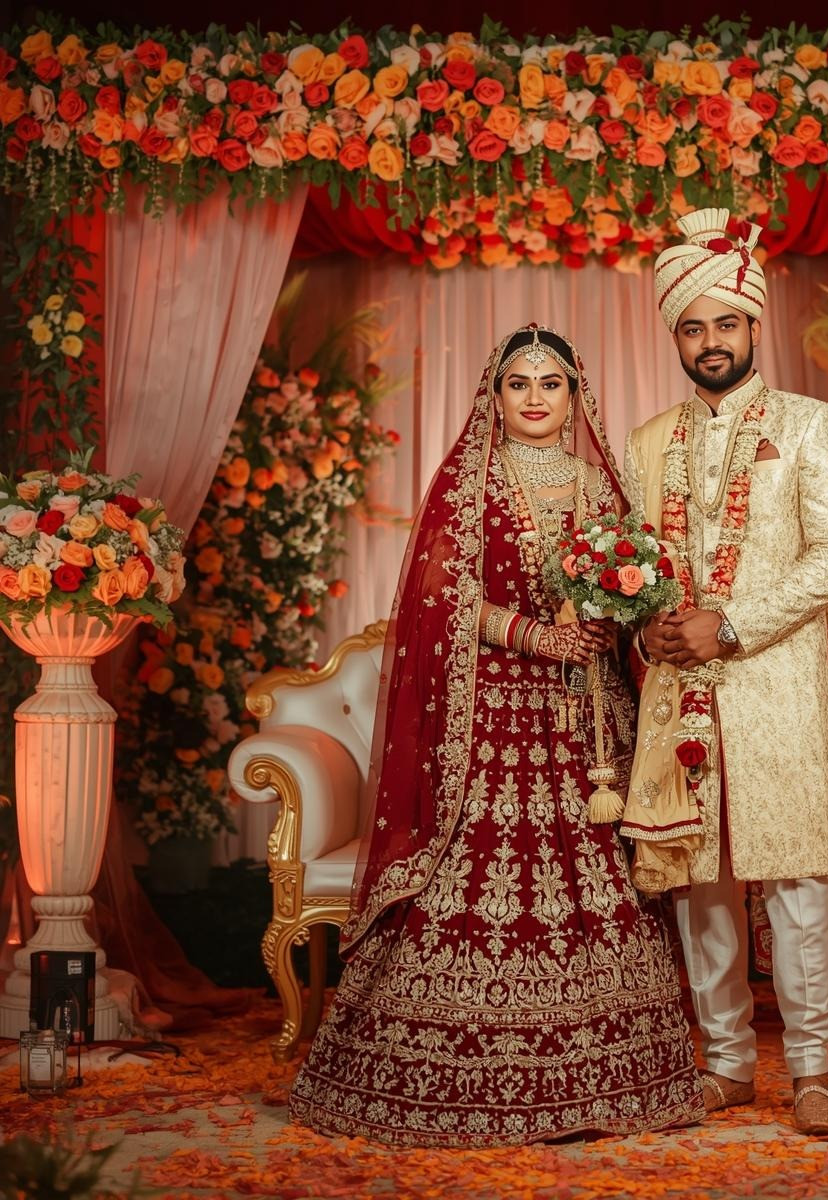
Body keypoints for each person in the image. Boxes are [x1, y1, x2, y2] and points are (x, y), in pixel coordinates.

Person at [289, 325, 705, 1146]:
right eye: (520, 383)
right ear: (495, 396)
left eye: (551, 383)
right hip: (491, 720)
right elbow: (442, 599)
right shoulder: (467, 486)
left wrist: (610, 620)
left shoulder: (601, 486)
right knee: (478, 875)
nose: (536, 398)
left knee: (599, 876)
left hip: (590, 722)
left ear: (575, 396)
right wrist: (536, 635)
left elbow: (643, 593)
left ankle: (604, 1074)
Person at [622, 209, 828, 1137]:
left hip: (781, 690)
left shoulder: (811, 425)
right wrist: (650, 632)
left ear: (753, 327)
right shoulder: (648, 440)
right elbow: (633, 566)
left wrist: (729, 626)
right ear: (676, 337)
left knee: (796, 883)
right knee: (702, 883)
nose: (711, 342)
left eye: (726, 324)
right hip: (681, 698)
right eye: (693, 327)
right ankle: (728, 1063)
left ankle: (811, 1069)